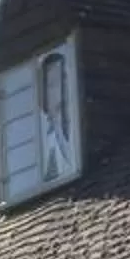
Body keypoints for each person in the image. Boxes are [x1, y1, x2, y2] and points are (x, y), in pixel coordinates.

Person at [36, 47, 77, 182]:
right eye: (53, 84)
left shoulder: (80, 129)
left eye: (64, 78)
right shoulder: (45, 147)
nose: (62, 88)